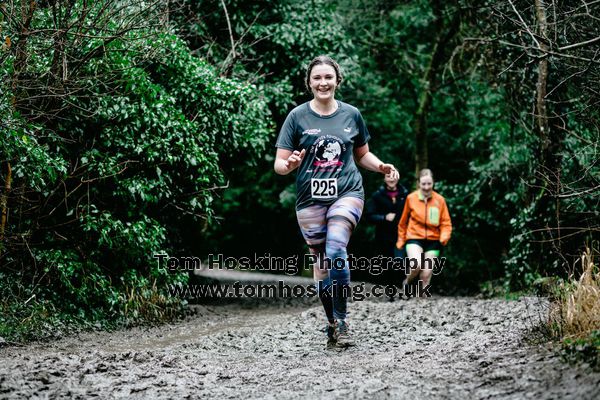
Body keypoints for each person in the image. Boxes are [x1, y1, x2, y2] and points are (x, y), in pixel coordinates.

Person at [274, 55, 398, 348]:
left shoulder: (351, 114)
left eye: (328, 77)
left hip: (347, 192)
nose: (323, 83)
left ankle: (342, 321)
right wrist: (290, 164)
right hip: (310, 198)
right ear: (309, 83)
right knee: (321, 265)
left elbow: (362, 154)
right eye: (317, 78)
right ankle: (331, 322)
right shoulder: (297, 117)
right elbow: (279, 165)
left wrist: (380, 166)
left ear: (337, 81)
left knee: (336, 248)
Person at [395, 169, 452, 295]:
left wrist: (444, 236)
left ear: (433, 183)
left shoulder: (440, 200)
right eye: (423, 184)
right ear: (419, 184)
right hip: (414, 237)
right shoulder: (411, 198)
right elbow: (403, 222)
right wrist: (401, 239)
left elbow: (446, 223)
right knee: (416, 265)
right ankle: (407, 283)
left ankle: (422, 305)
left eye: (429, 184)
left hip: (433, 240)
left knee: (426, 275)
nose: (426, 187)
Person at [365, 172, 408, 291]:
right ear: (384, 178)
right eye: (388, 176)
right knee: (387, 264)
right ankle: (391, 292)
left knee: (401, 262)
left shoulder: (405, 194)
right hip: (383, 236)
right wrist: (384, 217)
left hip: (402, 235)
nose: (391, 179)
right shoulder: (377, 196)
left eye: (394, 176)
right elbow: (368, 216)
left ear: (398, 178)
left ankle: (403, 288)